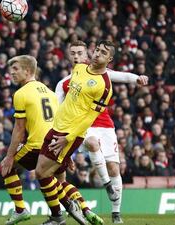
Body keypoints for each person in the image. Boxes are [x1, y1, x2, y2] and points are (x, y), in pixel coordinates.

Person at [56, 40, 148, 224]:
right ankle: (106, 184)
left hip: (105, 124)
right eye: (73, 53)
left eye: (80, 53)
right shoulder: (63, 84)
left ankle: (116, 213)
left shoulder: (98, 73)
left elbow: (120, 76)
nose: (76, 57)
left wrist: (138, 77)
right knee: (91, 142)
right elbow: (58, 113)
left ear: (86, 55)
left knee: (114, 167)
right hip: (82, 125)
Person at [0, 55, 89, 225]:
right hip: (54, 145)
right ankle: (67, 207)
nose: (11, 72)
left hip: (36, 145)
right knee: (51, 178)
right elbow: (58, 123)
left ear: (27, 71)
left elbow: (19, 129)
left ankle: (21, 210)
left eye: (15, 69)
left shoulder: (20, 94)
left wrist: (9, 156)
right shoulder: (50, 93)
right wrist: (66, 153)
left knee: (6, 167)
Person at [34, 40, 116, 225]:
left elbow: (89, 118)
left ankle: (60, 215)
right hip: (57, 127)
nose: (97, 54)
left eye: (103, 53)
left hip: (68, 134)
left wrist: (69, 140)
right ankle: (79, 209)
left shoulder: (104, 86)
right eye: (97, 50)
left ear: (109, 59)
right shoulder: (79, 68)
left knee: (41, 173)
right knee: (56, 177)